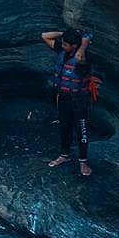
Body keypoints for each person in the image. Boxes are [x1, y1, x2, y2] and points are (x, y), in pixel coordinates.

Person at [41, 27, 93, 177]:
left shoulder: (85, 57)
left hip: (80, 100)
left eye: (65, 44)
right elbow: (45, 36)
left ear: (74, 46)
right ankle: (64, 155)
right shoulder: (63, 52)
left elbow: (78, 59)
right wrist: (65, 34)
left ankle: (83, 161)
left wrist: (83, 43)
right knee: (65, 126)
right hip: (64, 98)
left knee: (81, 130)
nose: (62, 46)